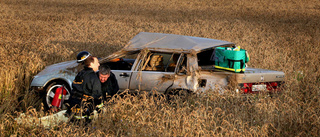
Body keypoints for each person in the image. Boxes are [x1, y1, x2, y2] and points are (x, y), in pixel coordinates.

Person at [66, 51, 103, 122]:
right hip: (85, 109)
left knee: (74, 124)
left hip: (74, 106)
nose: (98, 64)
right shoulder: (93, 77)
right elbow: (97, 96)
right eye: (97, 62)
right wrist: (100, 111)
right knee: (84, 127)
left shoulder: (80, 74)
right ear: (91, 64)